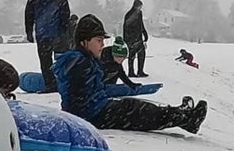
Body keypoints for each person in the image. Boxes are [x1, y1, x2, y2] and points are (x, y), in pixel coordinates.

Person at [53, 14, 206, 133]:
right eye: (99, 40)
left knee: (134, 107)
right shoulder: (79, 63)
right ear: (84, 41)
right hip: (92, 115)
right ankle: (185, 118)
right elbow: (76, 102)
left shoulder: (84, 60)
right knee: (138, 112)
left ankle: (181, 114)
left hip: (96, 110)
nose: (102, 45)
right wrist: (82, 119)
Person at [24, 0, 71, 92]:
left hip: (58, 34)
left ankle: (66, 83)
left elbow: (65, 12)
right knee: (45, 63)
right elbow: (29, 16)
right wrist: (29, 32)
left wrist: (64, 30)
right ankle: (50, 85)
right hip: (42, 35)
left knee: (62, 61)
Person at [122, 0, 149, 77]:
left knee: (142, 54)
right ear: (136, 6)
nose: (140, 8)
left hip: (139, 38)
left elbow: (141, 24)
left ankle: (140, 71)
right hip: (131, 39)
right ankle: (131, 72)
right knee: (132, 56)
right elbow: (126, 28)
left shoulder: (139, 13)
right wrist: (128, 40)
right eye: (140, 6)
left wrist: (144, 32)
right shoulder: (129, 15)